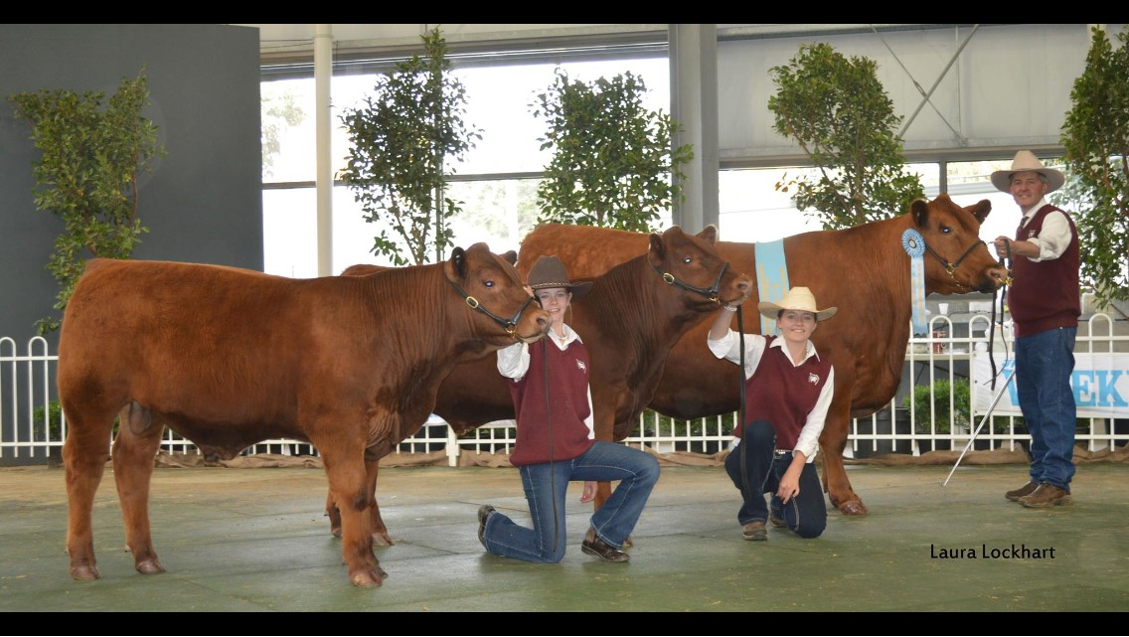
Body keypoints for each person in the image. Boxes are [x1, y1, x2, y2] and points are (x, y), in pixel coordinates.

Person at [476, 255, 660, 563]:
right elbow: (509, 370)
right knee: (549, 552)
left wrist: (594, 469)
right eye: (544, 296)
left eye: (559, 295)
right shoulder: (524, 343)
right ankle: (493, 528)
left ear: (569, 298)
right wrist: (517, 320)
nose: (553, 302)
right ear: (533, 299)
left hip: (580, 453)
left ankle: (603, 536)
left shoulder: (578, 347)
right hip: (542, 459)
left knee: (646, 467)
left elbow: (583, 408)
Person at [707, 286, 835, 541]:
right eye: (791, 316)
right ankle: (754, 515)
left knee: (811, 528)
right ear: (778, 321)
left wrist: (794, 470)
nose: (798, 323)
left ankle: (779, 502)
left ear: (815, 325)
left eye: (806, 317)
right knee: (760, 429)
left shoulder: (824, 369)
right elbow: (718, 341)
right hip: (749, 455)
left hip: (791, 458)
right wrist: (729, 307)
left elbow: (814, 426)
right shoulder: (758, 348)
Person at [991, 150, 1080, 509]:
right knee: (1035, 404)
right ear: (1011, 189)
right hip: (1030, 328)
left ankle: (1056, 479)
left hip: (1051, 325)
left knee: (1052, 402)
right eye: (1017, 181)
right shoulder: (1027, 224)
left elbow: (1049, 249)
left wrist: (1014, 248)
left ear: (1044, 185)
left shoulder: (1053, 218)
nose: (1022, 186)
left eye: (1029, 180)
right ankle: (1043, 475)